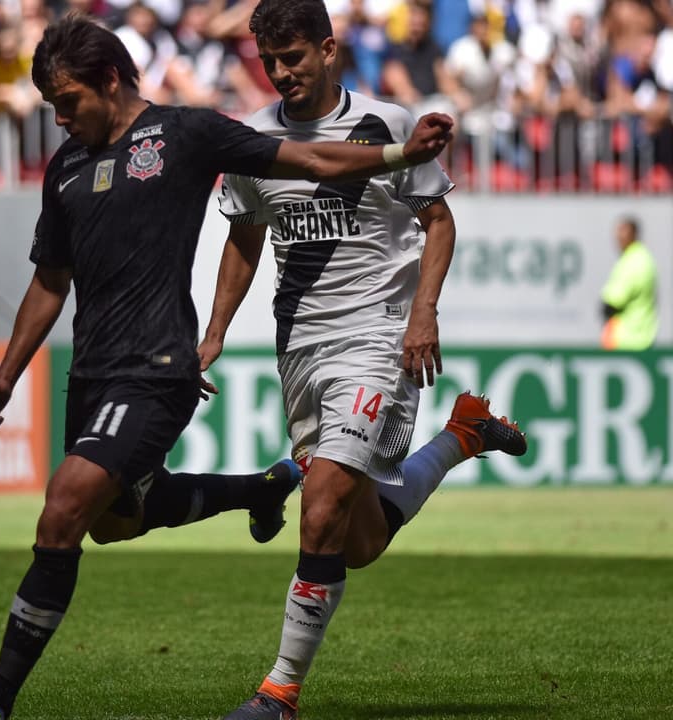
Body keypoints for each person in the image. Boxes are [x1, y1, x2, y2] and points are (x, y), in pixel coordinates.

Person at [0, 13, 457, 720]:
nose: (60, 118)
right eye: (52, 106)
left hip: (262, 351)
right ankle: (294, 481)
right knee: (130, 524)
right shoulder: (73, 167)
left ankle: (270, 695)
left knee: (77, 505)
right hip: (196, 359)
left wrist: (403, 167)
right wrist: (10, 374)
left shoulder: (194, 133)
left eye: (68, 102)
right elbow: (64, 277)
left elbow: (349, 177)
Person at [199, 3, 528, 718]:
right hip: (303, 349)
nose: (282, 73)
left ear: (327, 49)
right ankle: (462, 435)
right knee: (353, 543)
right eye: (271, 61)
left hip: (379, 339)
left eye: (294, 58)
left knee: (320, 512)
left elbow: (437, 221)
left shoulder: (385, 123)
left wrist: (423, 312)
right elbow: (245, 237)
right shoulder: (254, 139)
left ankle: (278, 694)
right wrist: (215, 330)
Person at [601, 216, 658, 350]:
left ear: (634, 234)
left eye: (623, 231)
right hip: (643, 338)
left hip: (628, 340)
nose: (618, 237)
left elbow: (613, 302)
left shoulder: (635, 261)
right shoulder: (643, 257)